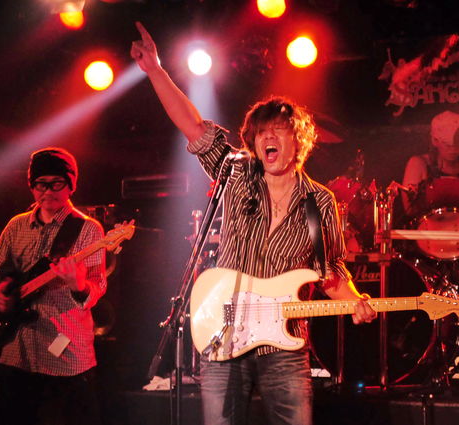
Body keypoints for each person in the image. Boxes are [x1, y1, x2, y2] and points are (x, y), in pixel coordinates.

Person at [131, 21, 376, 425]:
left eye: (278, 131)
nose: (268, 138)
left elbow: (329, 271)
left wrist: (355, 302)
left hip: (284, 346)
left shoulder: (318, 202)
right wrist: (156, 70)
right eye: (261, 133)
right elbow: (193, 126)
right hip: (223, 332)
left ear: (299, 142)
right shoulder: (237, 174)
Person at [0, 147, 107, 425]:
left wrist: (78, 284)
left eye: (56, 183)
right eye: (40, 184)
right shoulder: (16, 226)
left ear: (71, 185)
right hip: (17, 351)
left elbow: (97, 287)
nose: (47, 191)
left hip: (66, 355)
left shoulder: (88, 229)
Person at [402, 110, 459, 224]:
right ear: (434, 141)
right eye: (448, 145)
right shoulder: (419, 164)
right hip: (427, 231)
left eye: (457, 145)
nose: (453, 150)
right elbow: (410, 210)